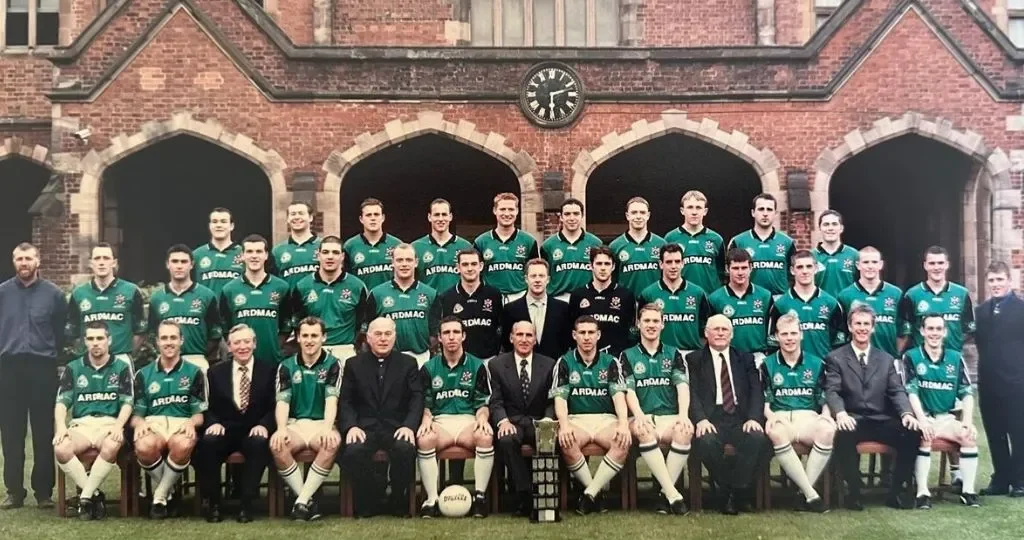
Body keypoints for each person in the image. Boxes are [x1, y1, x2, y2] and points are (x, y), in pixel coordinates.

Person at [825, 304, 921, 510]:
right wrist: (840, 413)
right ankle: (854, 493)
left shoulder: (885, 359)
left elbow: (896, 391)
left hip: (880, 419)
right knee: (843, 434)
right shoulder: (836, 358)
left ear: (873, 328)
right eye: (857, 323)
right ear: (850, 327)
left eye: (866, 324)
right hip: (853, 418)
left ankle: (895, 492)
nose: (862, 328)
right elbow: (832, 391)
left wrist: (906, 413)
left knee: (911, 432)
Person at [0, 242, 66, 509]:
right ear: (14, 262)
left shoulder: (54, 295)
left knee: (43, 431)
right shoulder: (2, 293)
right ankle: (14, 491)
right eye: (19, 259)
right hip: (9, 368)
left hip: (42, 367)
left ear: (38, 261)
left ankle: (43, 492)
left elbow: (60, 332)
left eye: (28, 258)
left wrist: (50, 355)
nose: (23, 263)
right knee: (11, 432)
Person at [339, 317, 424, 518]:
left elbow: (417, 398)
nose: (383, 339)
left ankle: (397, 499)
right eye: (378, 334)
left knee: (405, 449)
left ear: (395, 336)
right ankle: (370, 498)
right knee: (352, 452)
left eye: (388, 334)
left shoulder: (408, 363)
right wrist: (351, 426)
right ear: (368, 338)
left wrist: (409, 426)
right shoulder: (353, 364)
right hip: (364, 427)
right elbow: (346, 401)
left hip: (396, 426)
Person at [687, 315, 769, 515]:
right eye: (716, 329)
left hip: (740, 418)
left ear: (731, 335)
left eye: (725, 329)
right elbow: (692, 393)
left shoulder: (745, 358)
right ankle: (731, 492)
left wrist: (753, 418)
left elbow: (756, 391)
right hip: (711, 418)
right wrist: (701, 419)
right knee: (705, 442)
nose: (720, 333)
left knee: (759, 439)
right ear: (706, 333)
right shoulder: (694, 359)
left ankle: (734, 491)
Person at [52, 322, 133, 520]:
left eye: (100, 338)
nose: (95, 343)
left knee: (112, 444)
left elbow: (127, 403)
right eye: (91, 339)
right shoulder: (74, 367)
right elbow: (62, 403)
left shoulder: (122, 367)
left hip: (109, 423)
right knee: (61, 448)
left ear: (109, 340)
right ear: (85, 342)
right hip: (82, 424)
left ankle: (86, 497)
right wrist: (61, 427)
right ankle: (95, 495)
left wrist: (117, 426)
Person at [552, 315, 631, 514]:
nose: (587, 337)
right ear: (574, 335)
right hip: (577, 419)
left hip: (605, 418)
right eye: (582, 333)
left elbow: (618, 397)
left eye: (591, 333)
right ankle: (595, 494)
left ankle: (589, 494)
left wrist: (623, 423)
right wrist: (564, 425)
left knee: (622, 442)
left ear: (598, 335)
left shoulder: (611, 361)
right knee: (566, 441)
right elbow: (560, 399)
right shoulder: (564, 362)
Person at [415, 317, 494, 518]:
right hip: (441, 421)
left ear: (463, 336)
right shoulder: (428, 368)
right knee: (424, 439)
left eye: (456, 332)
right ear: (439, 338)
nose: (452, 337)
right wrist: (426, 419)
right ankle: (431, 500)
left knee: (485, 436)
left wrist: (482, 418)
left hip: (468, 420)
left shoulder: (477, 366)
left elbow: (482, 402)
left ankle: (480, 497)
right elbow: (425, 403)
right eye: (447, 333)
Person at [198, 324, 276, 523]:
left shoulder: (268, 371)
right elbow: (207, 406)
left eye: (247, 342)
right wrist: (213, 423)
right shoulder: (215, 373)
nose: (242, 347)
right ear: (229, 347)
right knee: (208, 443)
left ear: (254, 344)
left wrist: (265, 425)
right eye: (237, 343)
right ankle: (214, 503)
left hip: (253, 428)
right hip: (226, 428)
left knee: (259, 444)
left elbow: (274, 406)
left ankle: (246, 504)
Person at [620, 304, 692, 515]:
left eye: (655, 321)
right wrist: (640, 415)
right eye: (646, 321)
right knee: (644, 430)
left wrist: (683, 415)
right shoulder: (627, 355)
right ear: (638, 324)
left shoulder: (674, 353)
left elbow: (682, 386)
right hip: (642, 416)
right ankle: (673, 495)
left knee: (685, 430)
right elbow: (629, 391)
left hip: (668, 416)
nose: (651, 325)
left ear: (662, 324)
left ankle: (663, 494)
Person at [131, 321, 208, 519]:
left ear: (181, 340)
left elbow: (199, 414)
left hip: (181, 421)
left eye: (173, 337)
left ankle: (159, 496)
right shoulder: (143, 374)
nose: (169, 342)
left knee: (183, 444)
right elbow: (136, 414)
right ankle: (170, 494)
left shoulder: (195, 372)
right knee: (144, 446)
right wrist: (139, 423)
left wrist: (191, 423)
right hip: (153, 422)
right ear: (157, 342)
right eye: (164, 338)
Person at [903, 314, 980, 509]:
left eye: (938, 329)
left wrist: (967, 421)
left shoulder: (955, 358)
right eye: (930, 329)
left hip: (945, 418)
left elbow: (967, 393)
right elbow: (911, 392)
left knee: (968, 436)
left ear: (945, 332)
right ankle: (922, 493)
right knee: (925, 436)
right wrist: (921, 420)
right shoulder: (911, 356)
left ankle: (968, 492)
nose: (934, 333)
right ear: (922, 331)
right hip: (924, 417)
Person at [270, 317, 342, 521]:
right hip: (296, 424)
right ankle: (307, 500)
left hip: (321, 423)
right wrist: (281, 428)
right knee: (277, 445)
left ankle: (301, 501)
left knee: (332, 442)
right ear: (298, 338)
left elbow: (331, 400)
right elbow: (282, 402)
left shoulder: (333, 364)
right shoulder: (286, 366)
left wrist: (328, 428)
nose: (310, 340)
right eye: (305, 336)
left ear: (323, 338)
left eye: (314, 336)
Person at [760, 313, 833, 513]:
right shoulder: (767, 364)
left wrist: (826, 414)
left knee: (827, 430)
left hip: (807, 416)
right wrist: (770, 416)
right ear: (777, 336)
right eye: (785, 334)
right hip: (781, 415)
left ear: (801, 335)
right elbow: (765, 401)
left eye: (793, 333)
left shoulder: (816, 363)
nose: (790, 338)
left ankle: (804, 494)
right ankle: (811, 495)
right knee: (775, 432)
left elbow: (823, 397)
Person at [488, 320, 555, 516]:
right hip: (512, 421)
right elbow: (495, 401)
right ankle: (524, 494)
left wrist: (547, 420)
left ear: (535, 339)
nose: (524, 339)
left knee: (548, 439)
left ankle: (547, 496)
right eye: (519, 335)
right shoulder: (497, 365)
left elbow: (552, 400)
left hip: (538, 421)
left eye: (529, 335)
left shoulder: (549, 364)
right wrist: (503, 421)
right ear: (511, 338)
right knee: (506, 440)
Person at [974, 261, 1024, 497]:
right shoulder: (981, 312)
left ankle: (1020, 480)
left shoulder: (1021, 310)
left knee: (1018, 431)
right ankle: (1001, 479)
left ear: (1009, 281)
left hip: (1017, 383)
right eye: (992, 280)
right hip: (989, 383)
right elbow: (981, 345)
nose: (996, 284)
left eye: (1000, 280)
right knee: (995, 433)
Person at [66, 243, 146, 366]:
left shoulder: (131, 291)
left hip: (120, 359)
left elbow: (140, 331)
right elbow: (73, 331)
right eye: (97, 259)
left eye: (106, 258)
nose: (101, 262)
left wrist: (126, 353)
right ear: (91, 263)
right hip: (89, 361)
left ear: (114, 262)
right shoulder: (79, 293)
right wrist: (86, 352)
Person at [291, 235, 368, 362]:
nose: (330, 256)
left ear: (342, 256)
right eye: (325, 252)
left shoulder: (357, 286)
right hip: (312, 351)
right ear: (318, 255)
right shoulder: (302, 286)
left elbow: (363, 322)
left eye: (335, 252)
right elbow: (297, 322)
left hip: (346, 351)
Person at [219, 234, 293, 365]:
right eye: (249, 251)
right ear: (242, 255)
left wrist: (275, 346)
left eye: (259, 251)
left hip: (271, 360)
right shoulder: (229, 289)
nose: (254, 256)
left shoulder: (281, 287)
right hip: (241, 362)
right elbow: (226, 328)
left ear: (266, 255)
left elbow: (286, 325)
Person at [148, 244, 221, 371]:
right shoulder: (157, 298)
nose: (179, 265)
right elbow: (152, 332)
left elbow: (215, 333)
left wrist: (200, 353)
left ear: (191, 264)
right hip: (166, 361)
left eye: (184, 261)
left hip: (196, 359)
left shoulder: (207, 295)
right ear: (167, 264)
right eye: (175, 261)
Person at [366, 243, 440, 366]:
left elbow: (434, 331)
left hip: (421, 358)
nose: (404, 264)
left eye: (408, 260)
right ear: (392, 262)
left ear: (416, 262)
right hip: (387, 359)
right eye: (399, 260)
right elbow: (369, 328)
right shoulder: (377, 293)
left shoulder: (430, 294)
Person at [768, 250, 846, 360]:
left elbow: (840, 345)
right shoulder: (780, 305)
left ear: (816, 268)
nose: (805, 271)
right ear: (792, 270)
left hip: (823, 370)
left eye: (809, 266)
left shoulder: (831, 303)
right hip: (791, 370)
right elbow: (773, 345)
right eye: (800, 267)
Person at [899, 245, 975, 353]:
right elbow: (906, 332)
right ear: (925, 265)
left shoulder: (961, 294)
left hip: (952, 362)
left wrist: (954, 347)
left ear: (947, 265)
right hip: (921, 363)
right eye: (932, 263)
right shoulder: (912, 295)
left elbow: (969, 329)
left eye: (940, 263)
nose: (936, 267)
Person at [638, 243, 711, 356]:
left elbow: (705, 329)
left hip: (692, 353)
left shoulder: (698, 293)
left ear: (683, 263)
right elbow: (641, 329)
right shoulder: (648, 294)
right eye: (668, 262)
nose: (673, 266)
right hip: (661, 355)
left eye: (677, 262)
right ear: (661, 264)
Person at [708, 248, 773, 365]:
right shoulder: (715, 298)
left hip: (758, 356)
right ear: (728, 269)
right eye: (735, 268)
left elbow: (771, 331)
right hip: (728, 356)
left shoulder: (765, 296)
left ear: (751, 268)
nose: (740, 272)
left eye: (744, 268)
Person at [568, 245, 636, 357]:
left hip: (616, 359)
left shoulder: (625, 295)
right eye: (599, 264)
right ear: (591, 266)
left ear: (613, 267)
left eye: (607, 264)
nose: (603, 268)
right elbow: (572, 331)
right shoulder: (578, 295)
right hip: (586, 359)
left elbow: (630, 331)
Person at [836, 246, 904, 358]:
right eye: (866, 262)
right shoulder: (845, 296)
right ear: (858, 265)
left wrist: (894, 354)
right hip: (856, 361)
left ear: (880, 265)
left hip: (888, 360)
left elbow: (903, 332)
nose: (870, 266)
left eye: (874, 262)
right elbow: (841, 333)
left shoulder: (895, 293)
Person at [439, 248, 503, 362]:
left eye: (474, 264)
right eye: (465, 264)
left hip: (489, 359)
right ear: (458, 267)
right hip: (460, 361)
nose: (470, 268)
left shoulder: (494, 294)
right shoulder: (447, 297)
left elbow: (501, 328)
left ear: (481, 266)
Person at [474, 192, 539, 304]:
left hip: (520, 297)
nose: (507, 213)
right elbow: (475, 273)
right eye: (502, 209)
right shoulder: (481, 241)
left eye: (511, 209)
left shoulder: (529, 241)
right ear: (495, 211)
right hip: (490, 297)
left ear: (517, 211)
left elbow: (534, 272)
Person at [728, 193, 795, 297]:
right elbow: (729, 274)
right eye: (761, 209)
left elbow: (794, 275)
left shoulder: (787, 242)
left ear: (775, 213)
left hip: (779, 299)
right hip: (749, 298)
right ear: (753, 212)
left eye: (769, 209)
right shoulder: (738, 241)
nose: (765, 213)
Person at [502, 259, 571, 360]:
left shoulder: (563, 308)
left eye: (541, 276)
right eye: (533, 276)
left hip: (554, 367)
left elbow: (566, 342)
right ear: (526, 279)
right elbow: (507, 343)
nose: (537, 280)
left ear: (548, 279)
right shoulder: (511, 309)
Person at [664, 190, 726, 295]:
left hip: (709, 298)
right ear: (682, 210)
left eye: (698, 207)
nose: (694, 212)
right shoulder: (670, 238)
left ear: (705, 211)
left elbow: (721, 272)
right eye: (690, 207)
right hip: (680, 297)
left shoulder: (716, 239)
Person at [541, 198, 602, 301]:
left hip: (588, 298)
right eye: (567, 214)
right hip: (558, 298)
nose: (572, 218)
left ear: (582, 215)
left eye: (576, 214)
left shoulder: (595, 243)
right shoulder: (548, 245)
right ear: (561, 217)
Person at [412, 198, 473, 294]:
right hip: (427, 304)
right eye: (436, 215)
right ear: (429, 217)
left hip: (457, 304)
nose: (440, 219)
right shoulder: (416, 247)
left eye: (444, 215)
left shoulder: (465, 246)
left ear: (450, 217)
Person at [609, 197, 666, 297]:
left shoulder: (661, 244)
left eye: (642, 213)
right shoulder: (615, 246)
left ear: (648, 215)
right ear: (627, 216)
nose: (638, 216)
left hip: (655, 304)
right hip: (626, 304)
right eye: (634, 212)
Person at [343, 198, 403, 291]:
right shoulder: (349, 246)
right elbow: (345, 280)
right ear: (361, 219)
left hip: (390, 302)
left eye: (376, 214)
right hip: (361, 302)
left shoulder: (397, 245)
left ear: (383, 217)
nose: (373, 218)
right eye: (368, 215)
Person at [193, 207, 244, 295]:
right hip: (207, 308)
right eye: (215, 222)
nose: (219, 225)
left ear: (232, 226)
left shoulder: (244, 254)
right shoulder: (196, 255)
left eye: (223, 221)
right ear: (209, 225)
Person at [271, 201, 321, 288]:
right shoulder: (278, 250)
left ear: (310, 218)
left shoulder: (323, 246)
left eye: (301, 213)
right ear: (287, 219)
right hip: (289, 300)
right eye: (293, 214)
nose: (297, 217)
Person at [813, 210, 859, 297]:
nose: (830, 228)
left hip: (847, 308)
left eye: (834, 224)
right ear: (819, 228)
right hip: (821, 308)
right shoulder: (811, 256)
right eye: (826, 224)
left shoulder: (854, 255)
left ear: (841, 228)